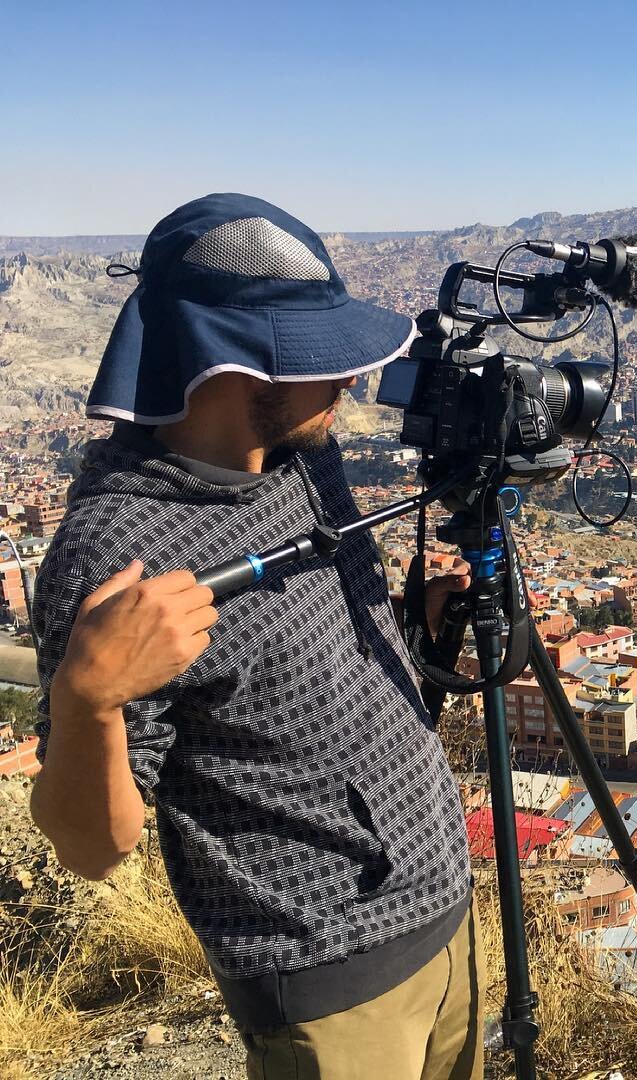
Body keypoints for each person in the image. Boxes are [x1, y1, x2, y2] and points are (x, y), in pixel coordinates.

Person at [28, 194, 483, 1080]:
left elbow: (285, 667)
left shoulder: (303, 457)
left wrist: (404, 625)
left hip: (445, 911)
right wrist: (87, 698)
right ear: (232, 365)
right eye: (322, 360)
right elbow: (89, 849)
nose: (348, 382)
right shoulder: (119, 551)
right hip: (327, 980)